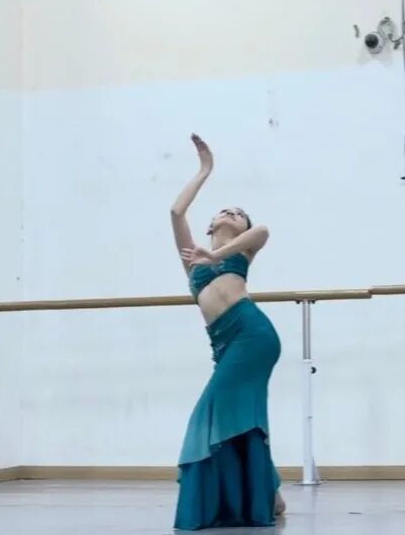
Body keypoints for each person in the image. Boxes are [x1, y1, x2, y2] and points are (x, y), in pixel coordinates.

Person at [170, 133, 286, 530]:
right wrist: (205, 170)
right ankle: (269, 493)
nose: (231, 213)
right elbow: (175, 212)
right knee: (240, 419)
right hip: (224, 345)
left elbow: (263, 231)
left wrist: (216, 254)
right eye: (225, 210)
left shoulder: (242, 250)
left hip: (254, 337)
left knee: (210, 413)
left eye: (238, 214)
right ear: (210, 224)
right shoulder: (192, 259)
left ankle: (262, 493)